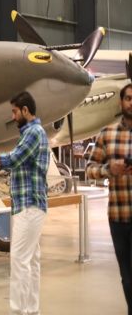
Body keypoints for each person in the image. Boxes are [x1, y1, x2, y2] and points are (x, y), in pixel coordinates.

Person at [0, 91, 49, 315]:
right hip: (29, 206)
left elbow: (11, 160)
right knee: (31, 261)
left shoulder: (34, 133)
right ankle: (31, 310)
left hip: (29, 207)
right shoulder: (33, 133)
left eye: (15, 111)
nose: (13, 116)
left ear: (25, 111)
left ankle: (18, 311)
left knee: (19, 262)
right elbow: (14, 162)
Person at [86, 83, 132, 315]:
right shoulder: (107, 134)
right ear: (121, 102)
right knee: (127, 276)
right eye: (128, 98)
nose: (131, 102)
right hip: (119, 216)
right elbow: (90, 169)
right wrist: (108, 169)